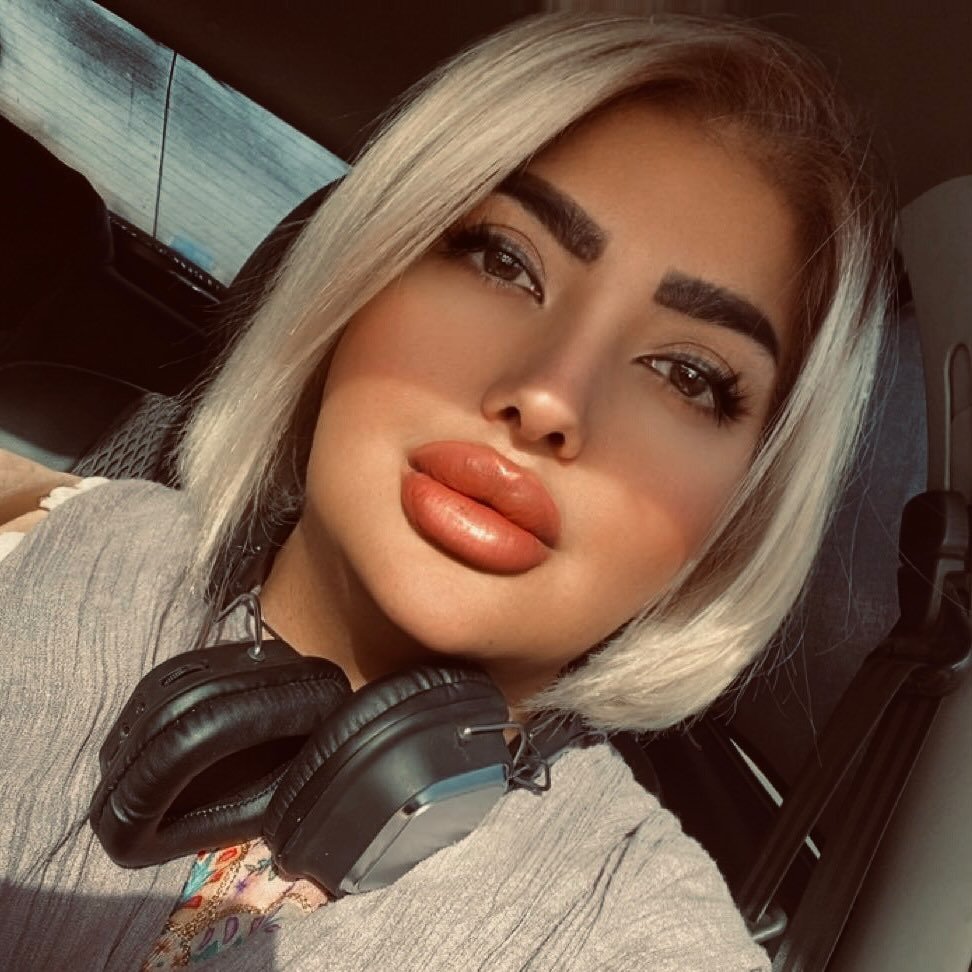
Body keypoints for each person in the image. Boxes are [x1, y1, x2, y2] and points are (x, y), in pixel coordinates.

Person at [0, 11, 892, 971]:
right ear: (359, 272)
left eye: (689, 375)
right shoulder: (31, 535)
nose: (549, 397)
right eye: (503, 260)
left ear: (738, 519)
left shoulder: (635, 929)